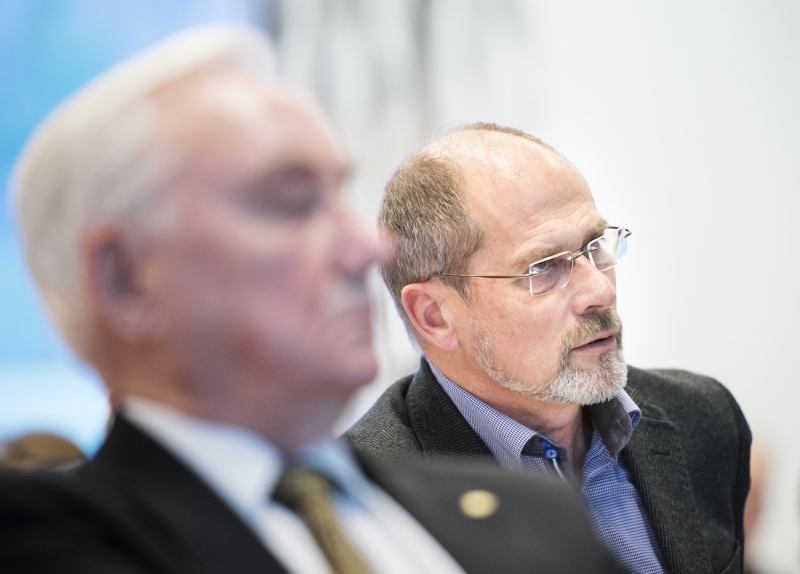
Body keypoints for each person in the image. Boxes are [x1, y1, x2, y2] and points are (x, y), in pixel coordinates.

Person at [0, 26, 623, 574]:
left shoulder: (530, 512)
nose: (368, 248)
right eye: (293, 205)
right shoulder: (40, 546)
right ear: (126, 279)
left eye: (340, 195)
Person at [346, 124, 751, 574]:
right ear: (435, 316)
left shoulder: (704, 418)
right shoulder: (366, 509)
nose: (601, 291)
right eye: (544, 268)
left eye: (595, 247)